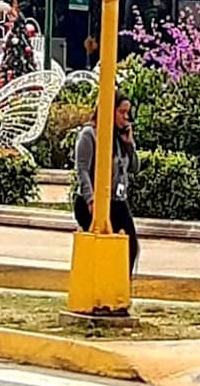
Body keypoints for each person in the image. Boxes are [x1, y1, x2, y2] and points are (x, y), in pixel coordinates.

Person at [73, 92, 140, 273]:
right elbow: (82, 168)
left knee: (130, 245)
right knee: (101, 247)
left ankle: (121, 285)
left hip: (117, 200)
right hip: (95, 200)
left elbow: (134, 167)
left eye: (127, 113)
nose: (125, 117)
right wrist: (90, 199)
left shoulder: (119, 137)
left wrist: (129, 144)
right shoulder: (90, 135)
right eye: (121, 112)